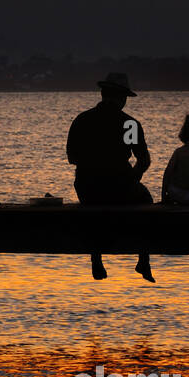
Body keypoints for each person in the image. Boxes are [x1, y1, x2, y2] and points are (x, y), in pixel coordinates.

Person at [66, 72, 155, 282]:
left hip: (88, 188)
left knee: (95, 211)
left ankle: (96, 258)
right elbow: (143, 160)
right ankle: (143, 259)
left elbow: (72, 157)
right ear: (122, 98)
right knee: (146, 202)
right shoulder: (128, 125)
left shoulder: (83, 120)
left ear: (103, 93)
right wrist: (132, 179)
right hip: (120, 186)